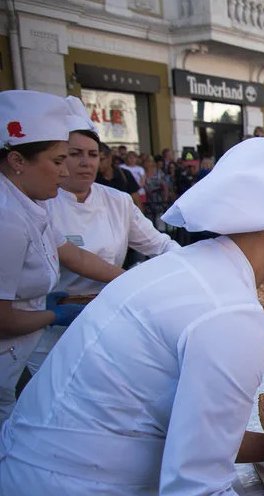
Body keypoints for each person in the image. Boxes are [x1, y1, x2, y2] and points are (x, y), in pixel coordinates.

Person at [0, 118, 264, 494]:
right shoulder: (230, 312)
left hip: (37, 466)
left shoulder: (184, 267)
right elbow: (197, 483)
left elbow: (195, 429)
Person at [27, 98, 180, 375]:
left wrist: (187, 264)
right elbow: (77, 259)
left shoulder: (117, 201)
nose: (86, 162)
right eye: (75, 154)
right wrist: (134, 281)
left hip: (108, 315)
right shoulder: (41, 202)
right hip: (53, 323)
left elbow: (158, 244)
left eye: (93, 154)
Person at [0, 91, 125, 422]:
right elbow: (3, 320)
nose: (65, 172)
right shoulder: (7, 219)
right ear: (17, 162)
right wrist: (53, 315)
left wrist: (131, 280)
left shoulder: (32, 206)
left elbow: (75, 256)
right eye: (58, 161)